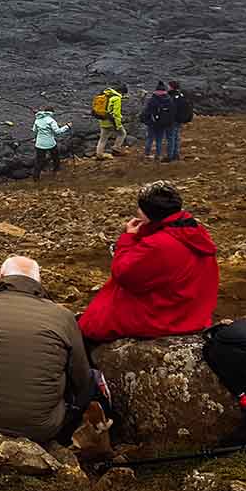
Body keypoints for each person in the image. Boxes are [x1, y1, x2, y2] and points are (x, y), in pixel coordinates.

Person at [0, 255, 95, 443]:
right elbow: (81, 378)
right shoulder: (63, 316)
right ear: (38, 281)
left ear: (0, 275)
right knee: (88, 376)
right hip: (43, 428)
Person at [78, 181, 218, 344]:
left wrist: (128, 238)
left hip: (166, 318)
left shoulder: (158, 245)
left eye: (139, 208)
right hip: (191, 313)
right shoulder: (192, 232)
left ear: (148, 214)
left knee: (91, 327)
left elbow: (123, 274)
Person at [140, 81, 176, 162]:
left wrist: (146, 120)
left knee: (150, 139)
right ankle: (158, 156)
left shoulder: (153, 99)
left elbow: (147, 111)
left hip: (152, 123)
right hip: (163, 123)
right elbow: (172, 112)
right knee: (159, 140)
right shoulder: (168, 99)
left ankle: (147, 154)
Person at [32, 109, 71, 181]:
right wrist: (67, 126)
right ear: (51, 113)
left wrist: (36, 137)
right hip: (50, 143)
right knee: (55, 156)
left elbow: (34, 130)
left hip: (39, 144)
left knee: (39, 160)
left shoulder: (37, 120)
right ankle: (56, 169)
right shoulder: (51, 120)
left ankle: (36, 177)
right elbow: (57, 131)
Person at [95, 84, 128, 159]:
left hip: (102, 119)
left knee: (103, 139)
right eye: (123, 94)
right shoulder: (117, 98)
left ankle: (99, 154)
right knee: (122, 133)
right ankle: (116, 148)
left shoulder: (106, 94)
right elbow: (116, 114)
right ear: (121, 92)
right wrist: (118, 125)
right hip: (110, 121)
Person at [167, 81, 193, 161]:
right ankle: (176, 154)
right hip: (180, 119)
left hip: (173, 120)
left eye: (168, 86)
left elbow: (170, 109)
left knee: (171, 138)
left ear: (171, 87)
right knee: (176, 137)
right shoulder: (182, 95)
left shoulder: (172, 96)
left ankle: (170, 156)